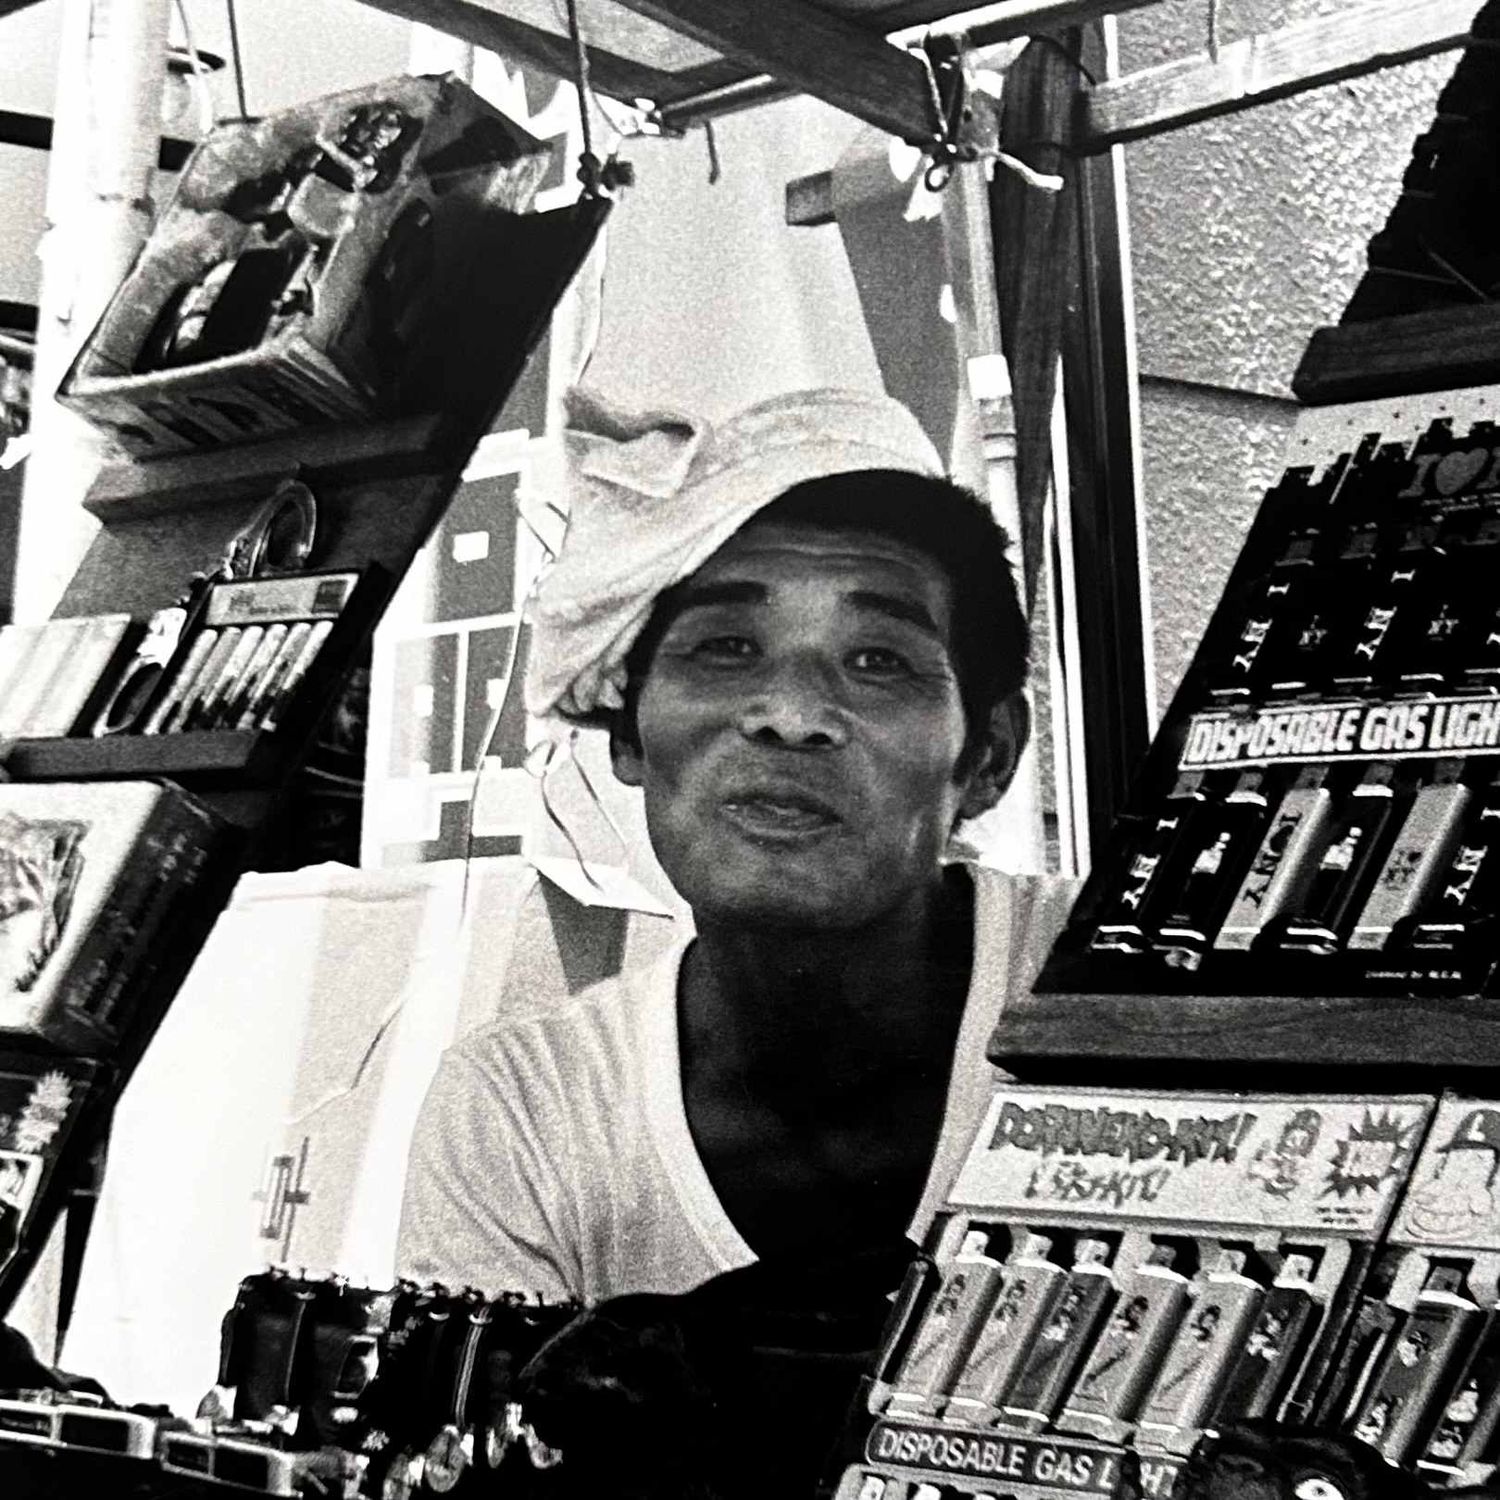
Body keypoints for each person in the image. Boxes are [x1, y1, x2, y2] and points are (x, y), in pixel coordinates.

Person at [396, 386, 1078, 1303]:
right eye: (725, 647)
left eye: (878, 659)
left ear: (987, 757)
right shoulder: (525, 1113)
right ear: (627, 734)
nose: (792, 716)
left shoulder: (1122, 989)